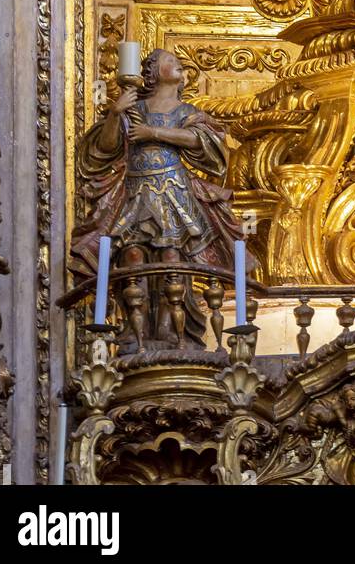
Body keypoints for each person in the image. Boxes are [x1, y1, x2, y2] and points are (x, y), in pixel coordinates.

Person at [70, 49, 243, 349]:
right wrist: (115, 113)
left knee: (172, 258)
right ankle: (135, 331)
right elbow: (106, 147)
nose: (179, 65)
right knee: (133, 257)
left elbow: (200, 140)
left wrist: (154, 132)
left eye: (178, 62)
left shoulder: (185, 111)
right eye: (171, 62)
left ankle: (169, 329)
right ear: (152, 72)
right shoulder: (135, 108)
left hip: (173, 191)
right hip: (135, 193)